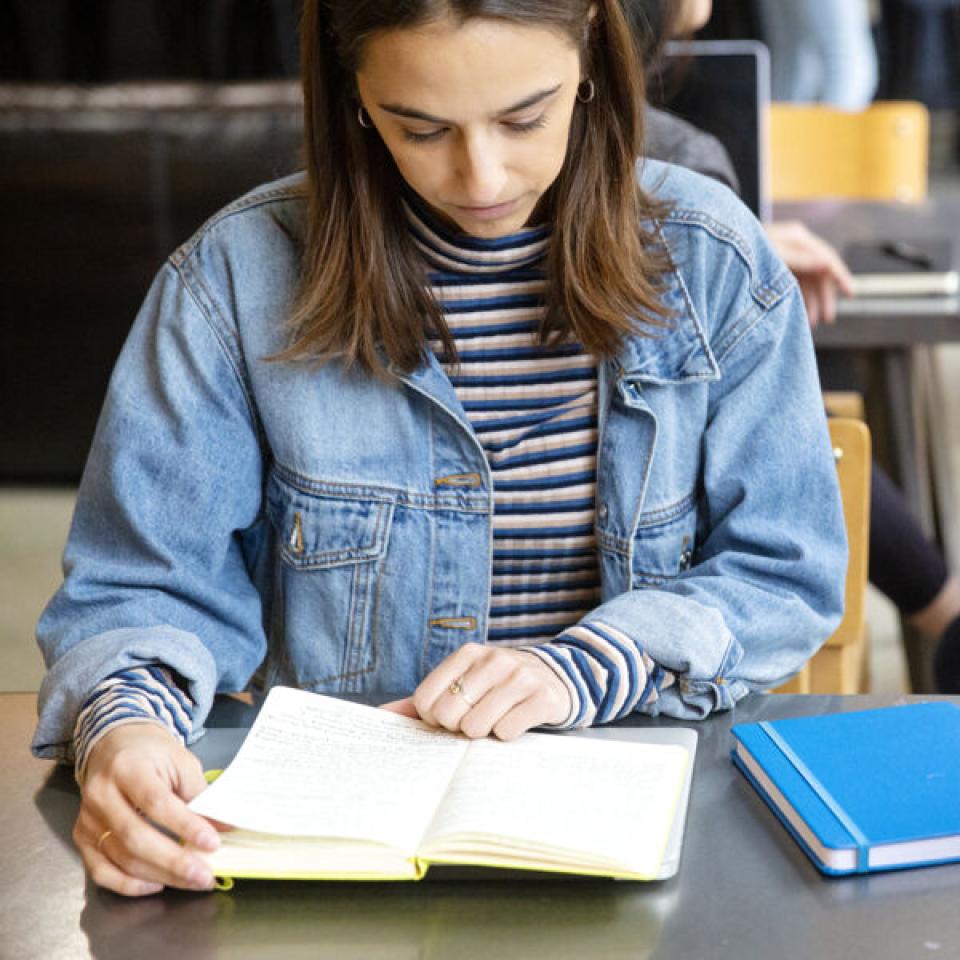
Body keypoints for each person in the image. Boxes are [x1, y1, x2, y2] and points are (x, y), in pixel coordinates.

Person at [31, 0, 845, 897]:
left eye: (524, 118)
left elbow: (784, 571)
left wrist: (581, 667)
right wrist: (126, 727)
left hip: (641, 841)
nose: (480, 176)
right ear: (355, 99)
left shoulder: (713, 259)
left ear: (590, 60)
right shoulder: (235, 279)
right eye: (419, 129)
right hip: (333, 859)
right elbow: (142, 585)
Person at [635, 0, 960, 690]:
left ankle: (940, 606)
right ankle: (941, 607)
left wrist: (734, 231)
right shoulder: (679, 156)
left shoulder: (671, 156)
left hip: (658, 639)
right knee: (794, 414)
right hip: (677, 628)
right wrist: (729, 233)